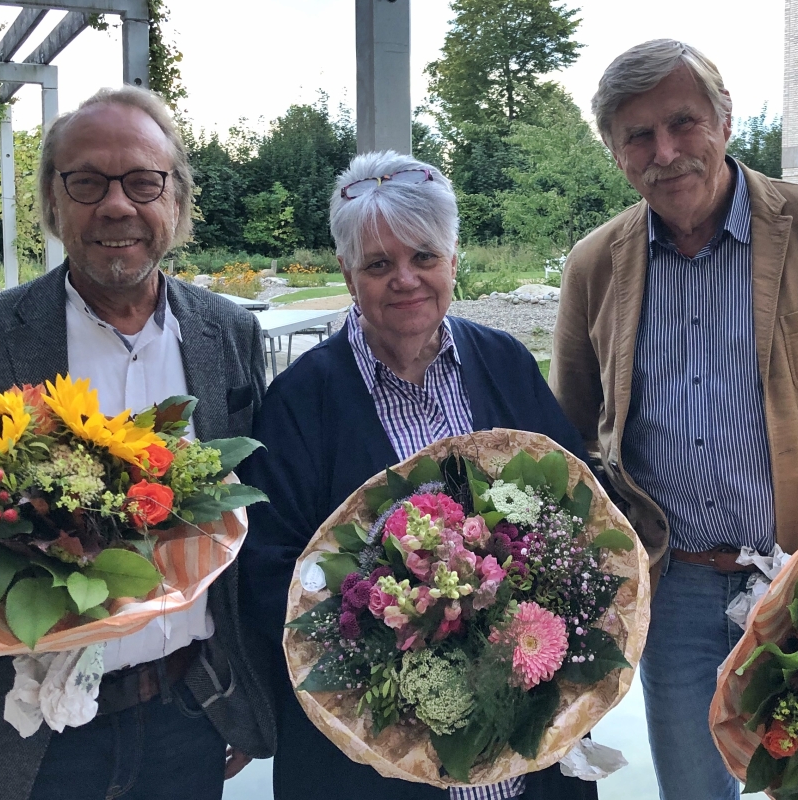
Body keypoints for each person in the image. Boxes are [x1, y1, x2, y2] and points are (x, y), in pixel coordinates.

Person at [549, 39, 798, 800]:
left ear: (724, 122)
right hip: (676, 596)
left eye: (683, 122)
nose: (665, 152)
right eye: (637, 135)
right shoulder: (593, 267)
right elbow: (573, 451)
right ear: (614, 153)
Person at [0, 86, 274, 800]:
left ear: (176, 200)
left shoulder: (229, 337)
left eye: (142, 181)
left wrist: (238, 700)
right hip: (19, 738)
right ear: (52, 204)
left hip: (183, 722)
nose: (117, 205)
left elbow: (253, 535)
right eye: (87, 182)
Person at [237, 151, 598, 800]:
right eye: (378, 264)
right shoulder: (299, 400)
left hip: (523, 734)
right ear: (348, 276)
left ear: (453, 262)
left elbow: (576, 510)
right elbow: (268, 571)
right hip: (376, 753)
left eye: (424, 257)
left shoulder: (505, 363)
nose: (405, 279)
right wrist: (383, 642)